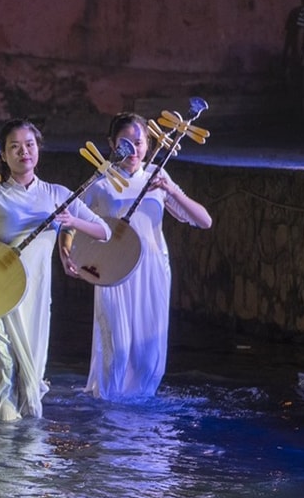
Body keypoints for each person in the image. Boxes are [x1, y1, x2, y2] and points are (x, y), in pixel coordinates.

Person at [0, 120, 110, 421]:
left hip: (35, 302)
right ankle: (2, 461)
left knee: (30, 387)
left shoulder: (58, 194)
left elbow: (104, 232)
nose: (23, 152)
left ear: (38, 149)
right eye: (14, 147)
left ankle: (24, 461)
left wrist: (72, 222)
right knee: (5, 382)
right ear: (3, 155)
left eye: (29, 145)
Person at [75, 113, 213, 400]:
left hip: (152, 271)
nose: (133, 150)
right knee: (118, 347)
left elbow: (204, 221)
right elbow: (72, 221)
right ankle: (108, 415)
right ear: (112, 144)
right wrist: (70, 255)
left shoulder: (157, 177)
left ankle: (141, 422)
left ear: (148, 145)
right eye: (125, 143)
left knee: (148, 355)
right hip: (113, 271)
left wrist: (170, 189)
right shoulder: (101, 183)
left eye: (139, 143)